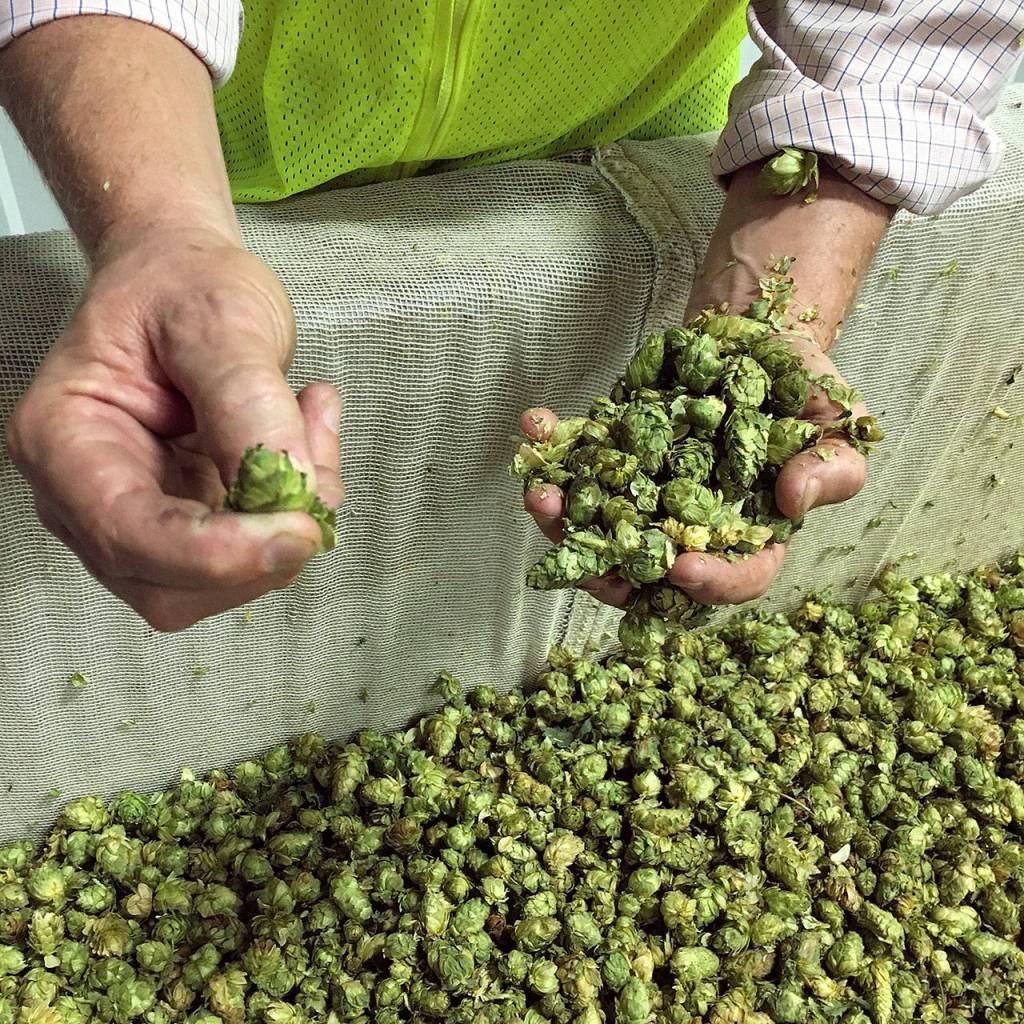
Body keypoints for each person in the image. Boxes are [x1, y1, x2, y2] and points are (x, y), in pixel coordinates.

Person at [0, 1, 1020, 631]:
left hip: (638, 134)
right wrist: (161, 225)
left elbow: (904, 19)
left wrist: (765, 309)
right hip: (223, 134)